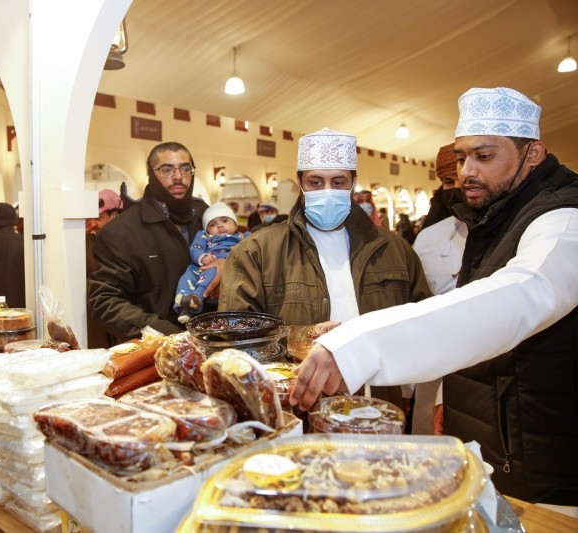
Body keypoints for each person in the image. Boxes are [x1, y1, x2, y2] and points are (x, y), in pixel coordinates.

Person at [290, 88, 578, 507]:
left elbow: (521, 294)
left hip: (543, 459)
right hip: (500, 445)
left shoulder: (564, 218)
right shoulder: (495, 214)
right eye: (462, 158)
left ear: (532, 154)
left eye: (484, 156)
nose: (466, 172)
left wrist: (362, 344)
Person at [219, 127, 431, 410]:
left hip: (377, 408)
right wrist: (299, 338)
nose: (327, 192)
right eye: (316, 182)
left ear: (353, 182)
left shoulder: (394, 250)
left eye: (338, 181)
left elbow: (422, 324)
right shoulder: (256, 252)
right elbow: (233, 339)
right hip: (295, 411)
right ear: (300, 183)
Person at [89, 141, 210, 341]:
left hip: (211, 344)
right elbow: (105, 303)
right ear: (151, 174)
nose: (178, 177)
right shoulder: (122, 231)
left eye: (185, 168)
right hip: (154, 352)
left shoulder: (206, 217)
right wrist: (168, 335)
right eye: (166, 169)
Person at [409, 143, 467, 435]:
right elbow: (415, 311)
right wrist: (406, 389)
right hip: (433, 367)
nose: (458, 188)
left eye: (463, 180)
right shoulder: (430, 238)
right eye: (449, 182)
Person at [174, 202, 250, 323]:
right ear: (207, 230)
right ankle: (185, 305)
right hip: (203, 265)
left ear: (235, 225)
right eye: (213, 224)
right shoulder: (204, 236)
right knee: (186, 276)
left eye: (225, 221)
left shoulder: (243, 236)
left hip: (227, 269)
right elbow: (195, 247)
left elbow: (254, 253)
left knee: (212, 271)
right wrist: (202, 257)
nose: (220, 226)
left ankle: (197, 298)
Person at [86, 189, 121, 348]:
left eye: (99, 218)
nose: (93, 224)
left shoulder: (129, 243)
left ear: (114, 215)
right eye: (92, 218)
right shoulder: (89, 242)